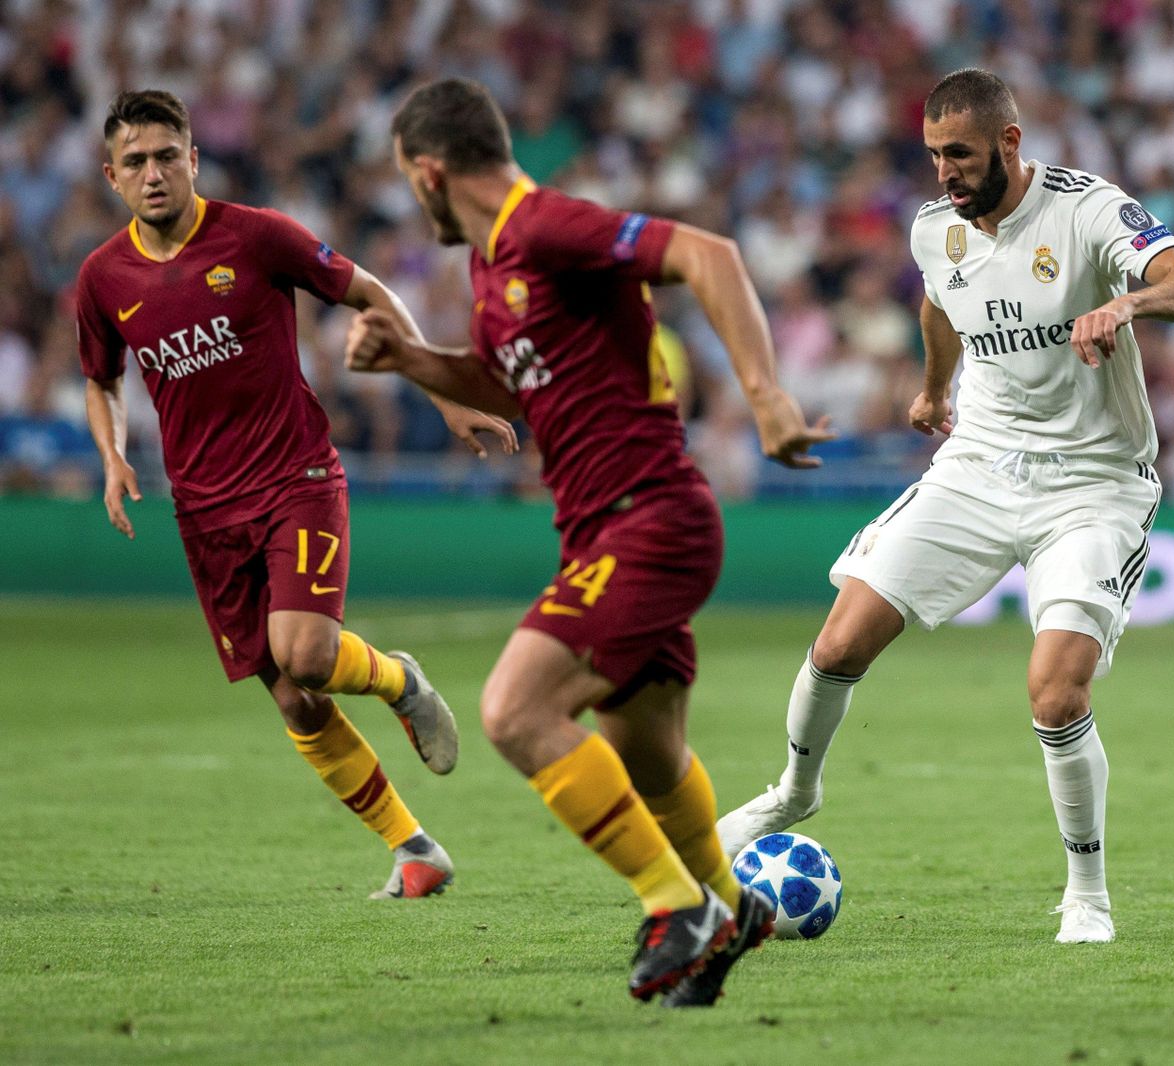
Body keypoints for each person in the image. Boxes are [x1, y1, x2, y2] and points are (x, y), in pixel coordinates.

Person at [344, 78, 834, 1004]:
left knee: (515, 712)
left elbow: (708, 254)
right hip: (604, 531)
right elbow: (516, 388)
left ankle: (676, 904)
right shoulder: (492, 269)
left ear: (429, 172)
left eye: (411, 185)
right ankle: (729, 909)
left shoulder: (544, 226)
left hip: (647, 518)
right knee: (645, 753)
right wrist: (412, 361)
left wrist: (766, 397)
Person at [717, 68, 1174, 944]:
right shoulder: (932, 231)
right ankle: (793, 792)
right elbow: (938, 303)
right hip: (979, 466)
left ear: (1009, 143)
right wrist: (932, 390)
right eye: (933, 156)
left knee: (1055, 694)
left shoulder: (1089, 211)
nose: (945, 172)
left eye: (959, 154)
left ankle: (1087, 897)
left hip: (1092, 484)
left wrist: (1127, 302)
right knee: (841, 639)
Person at [77, 90, 519, 900]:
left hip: (295, 478)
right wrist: (109, 455)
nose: (153, 173)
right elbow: (99, 377)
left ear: (193, 160)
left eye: (167, 155)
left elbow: (371, 294)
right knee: (298, 702)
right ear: (112, 176)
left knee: (309, 653)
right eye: (135, 162)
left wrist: (447, 394)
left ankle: (400, 682)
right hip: (205, 512)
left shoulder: (256, 236)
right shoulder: (104, 278)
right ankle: (414, 848)